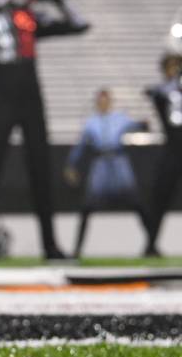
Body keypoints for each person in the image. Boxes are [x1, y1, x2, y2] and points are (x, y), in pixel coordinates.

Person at [0, 0, 89, 260]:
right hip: (2, 97)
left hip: (31, 98)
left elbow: (79, 25)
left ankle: (51, 246)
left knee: (41, 170)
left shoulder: (26, 16)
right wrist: (1, 1)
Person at [64, 89, 150, 258]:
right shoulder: (91, 122)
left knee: (137, 203)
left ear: (110, 101)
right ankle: (77, 249)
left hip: (118, 162)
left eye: (106, 100)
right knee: (87, 206)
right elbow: (80, 145)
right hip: (101, 165)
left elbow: (137, 125)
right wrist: (71, 165)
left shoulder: (120, 118)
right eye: (100, 100)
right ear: (97, 102)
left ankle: (152, 244)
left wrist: (143, 124)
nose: (103, 103)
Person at [144, 53, 182, 256]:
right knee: (160, 197)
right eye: (171, 66)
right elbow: (157, 93)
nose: (174, 70)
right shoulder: (162, 92)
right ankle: (150, 244)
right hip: (173, 149)